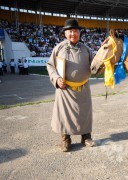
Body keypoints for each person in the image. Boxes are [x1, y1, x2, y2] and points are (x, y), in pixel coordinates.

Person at [47, 19, 95, 152]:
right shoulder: (59, 48)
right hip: (65, 89)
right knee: (64, 115)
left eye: (75, 31)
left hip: (83, 88)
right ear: (65, 33)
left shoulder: (86, 49)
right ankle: (65, 139)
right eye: (70, 31)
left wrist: (104, 66)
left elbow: (95, 66)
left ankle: (86, 136)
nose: (73, 33)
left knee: (84, 113)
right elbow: (50, 65)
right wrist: (56, 79)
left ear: (79, 33)